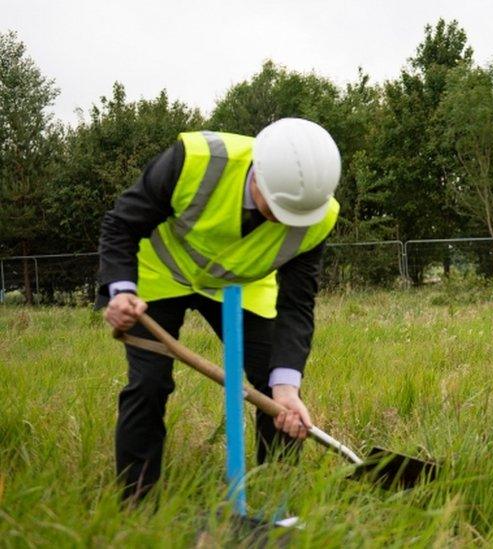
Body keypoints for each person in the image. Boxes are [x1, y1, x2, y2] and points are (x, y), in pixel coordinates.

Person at [98, 117, 342, 501]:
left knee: (277, 392)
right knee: (149, 383)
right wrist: (121, 290)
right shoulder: (196, 160)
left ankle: (273, 499)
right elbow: (121, 225)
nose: (282, 221)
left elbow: (297, 304)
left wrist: (286, 387)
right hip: (163, 273)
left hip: (242, 285)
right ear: (257, 173)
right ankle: (137, 505)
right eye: (276, 208)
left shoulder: (318, 215)